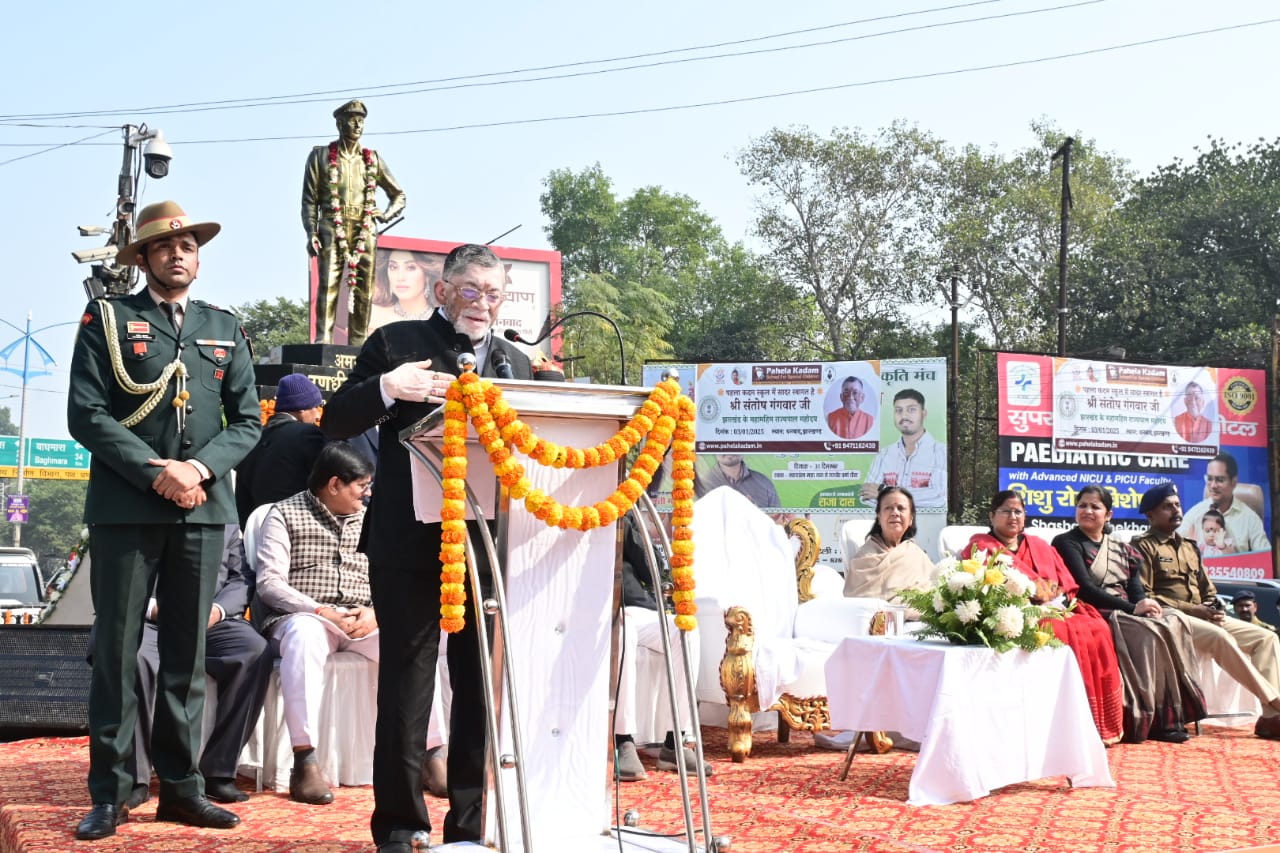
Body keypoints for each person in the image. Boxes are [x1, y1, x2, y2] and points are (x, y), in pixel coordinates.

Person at [321, 243, 540, 851]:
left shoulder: (512, 362)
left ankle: (470, 825)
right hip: (408, 542)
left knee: (478, 689)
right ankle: (400, 824)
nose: (484, 305)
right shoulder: (395, 344)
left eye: (494, 294)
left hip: (485, 545)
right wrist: (388, 389)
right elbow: (334, 420)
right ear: (443, 291)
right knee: (407, 688)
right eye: (472, 291)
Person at [67, 199, 260, 840]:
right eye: (165, 247)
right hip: (127, 509)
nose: (179, 255)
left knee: (185, 655)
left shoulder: (224, 327)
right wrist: (157, 473)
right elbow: (85, 414)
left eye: (188, 247)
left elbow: (249, 421)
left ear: (198, 261)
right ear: (144, 258)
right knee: (119, 656)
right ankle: (112, 792)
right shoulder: (111, 319)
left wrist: (198, 471)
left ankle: (182, 788)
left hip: (203, 512)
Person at [252, 442, 379, 805]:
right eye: (361, 485)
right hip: (305, 617)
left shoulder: (372, 515)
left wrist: (376, 611)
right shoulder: (283, 514)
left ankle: (432, 751)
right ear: (335, 484)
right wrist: (320, 611)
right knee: (305, 635)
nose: (367, 493)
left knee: (415, 640)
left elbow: (390, 575)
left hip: (362, 618)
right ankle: (305, 760)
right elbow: (270, 583)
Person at [130, 525, 273, 807]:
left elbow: (241, 578)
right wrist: (156, 608)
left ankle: (218, 771)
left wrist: (217, 611)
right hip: (147, 619)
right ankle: (134, 778)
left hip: (209, 620)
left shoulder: (224, 519)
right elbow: (120, 576)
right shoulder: (143, 511)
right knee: (135, 658)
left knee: (253, 652)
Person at [967, 490, 1125, 744]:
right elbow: (980, 589)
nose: (1013, 517)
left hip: (1054, 607)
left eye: (1018, 511)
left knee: (1095, 627)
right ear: (991, 515)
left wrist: (1056, 599)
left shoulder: (1039, 545)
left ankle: (1093, 723)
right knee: (1060, 631)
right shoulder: (980, 547)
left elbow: (1067, 583)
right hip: (1014, 614)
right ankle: (1060, 725)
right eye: (1006, 511)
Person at [1051, 486, 1206, 743]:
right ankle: (1147, 720)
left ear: (1108, 514)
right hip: (1094, 610)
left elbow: (1135, 591)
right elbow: (1085, 589)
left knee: (1173, 622)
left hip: (1126, 608)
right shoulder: (1067, 542)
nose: (1087, 511)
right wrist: (1134, 610)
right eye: (1083, 506)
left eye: (1095, 507)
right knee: (1149, 634)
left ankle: (1175, 713)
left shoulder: (1124, 550)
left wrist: (1145, 605)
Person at [1132, 482, 1280, 740]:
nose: (1175, 510)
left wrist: (1212, 606)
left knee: (1266, 638)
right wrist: (1195, 610)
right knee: (1220, 638)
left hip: (1202, 617)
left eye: (1177, 505)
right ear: (1150, 515)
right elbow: (1147, 595)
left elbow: (1206, 587)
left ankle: (1269, 718)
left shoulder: (1190, 546)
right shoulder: (1142, 545)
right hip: (1169, 618)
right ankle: (1275, 702)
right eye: (1167, 507)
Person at [302, 100, 407, 346]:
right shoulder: (320, 156)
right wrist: (311, 231)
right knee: (328, 285)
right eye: (352, 119)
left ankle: (359, 343)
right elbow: (309, 200)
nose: (357, 124)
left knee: (364, 289)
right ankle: (323, 340)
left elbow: (399, 195)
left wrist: (386, 214)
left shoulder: (372, 159)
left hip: (365, 227)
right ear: (339, 123)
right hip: (331, 225)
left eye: (361, 120)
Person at [613, 511, 707, 782]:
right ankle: (622, 740)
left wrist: (626, 520)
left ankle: (675, 740)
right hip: (594, 613)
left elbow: (652, 568)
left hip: (638, 607)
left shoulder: (623, 507)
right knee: (625, 627)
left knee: (686, 632)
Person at [235, 373, 327, 529]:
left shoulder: (252, 438)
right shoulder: (308, 435)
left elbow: (242, 495)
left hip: (256, 530)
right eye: (316, 407)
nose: (318, 415)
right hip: (298, 529)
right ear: (302, 408)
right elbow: (323, 488)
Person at [842, 486, 936, 608]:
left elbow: (934, 594)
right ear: (879, 517)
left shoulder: (917, 555)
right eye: (888, 508)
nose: (895, 513)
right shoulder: (863, 559)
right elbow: (855, 601)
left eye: (901, 508)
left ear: (911, 519)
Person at [858, 389, 947, 507]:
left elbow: (939, 497)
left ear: (924, 414)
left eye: (911, 410)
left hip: (927, 523)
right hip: (888, 523)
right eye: (898, 410)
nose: (904, 416)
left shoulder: (940, 452)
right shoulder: (884, 454)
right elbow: (866, 495)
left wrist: (885, 493)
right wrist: (913, 497)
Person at [1178, 453, 1270, 553]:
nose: (1213, 485)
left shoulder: (1250, 519)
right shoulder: (1195, 514)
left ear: (1234, 482)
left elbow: (1265, 557)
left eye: (1220, 480)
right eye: (1209, 479)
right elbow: (1172, 546)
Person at [370, 249, 444, 330]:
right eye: (393, 267)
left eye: (410, 268)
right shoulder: (375, 314)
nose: (400, 277)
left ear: (427, 275)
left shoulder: (441, 321)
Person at [694, 453, 779, 509]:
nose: (729, 447)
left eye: (735, 441)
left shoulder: (765, 483)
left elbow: (778, 524)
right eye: (722, 441)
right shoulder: (702, 485)